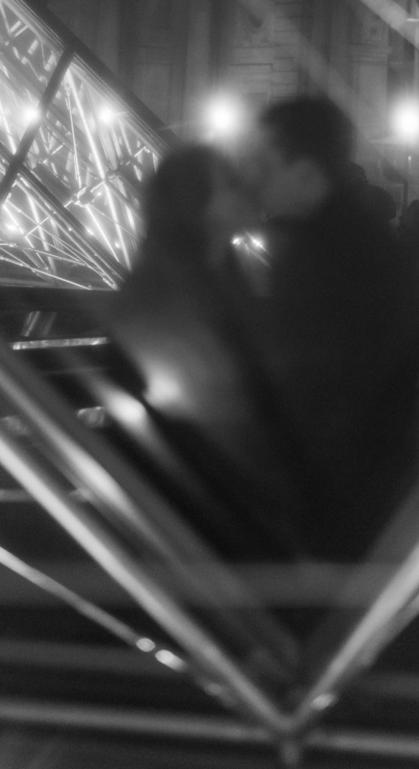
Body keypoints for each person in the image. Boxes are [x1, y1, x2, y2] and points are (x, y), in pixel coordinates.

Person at [242, 98, 419, 556]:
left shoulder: (329, 257)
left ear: (306, 171)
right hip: (355, 492)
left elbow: (316, 386)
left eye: (264, 164)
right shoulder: (346, 239)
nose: (252, 177)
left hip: (335, 498)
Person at [106, 144, 302, 551]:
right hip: (194, 520)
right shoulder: (163, 297)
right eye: (229, 184)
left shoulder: (219, 277)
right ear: (196, 204)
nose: (244, 190)